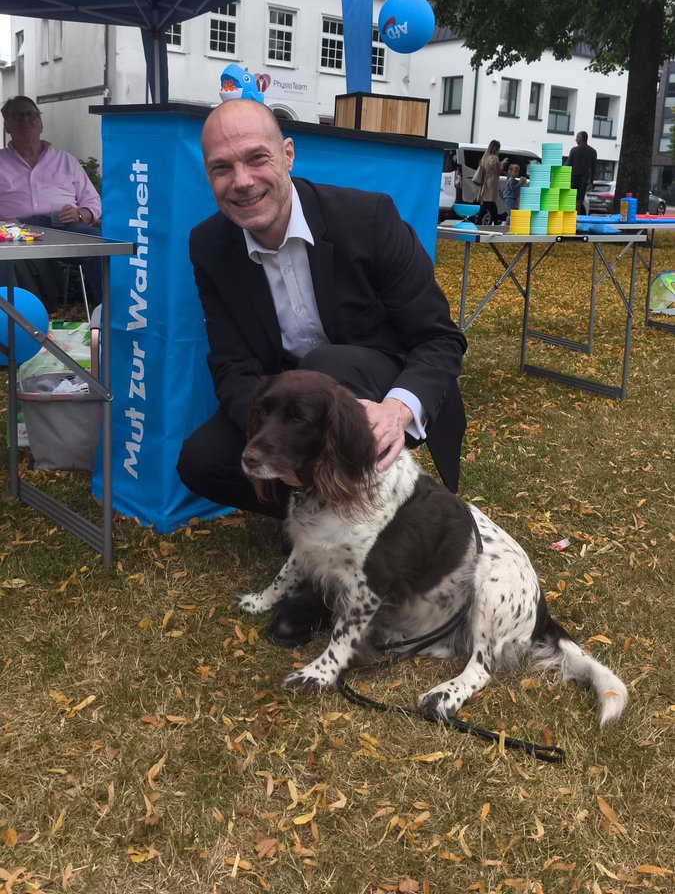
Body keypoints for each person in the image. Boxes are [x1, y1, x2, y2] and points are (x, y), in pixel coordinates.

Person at [178, 98, 468, 645]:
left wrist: (398, 409)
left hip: (378, 387)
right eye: (221, 167)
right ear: (209, 176)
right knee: (202, 461)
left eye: (256, 159)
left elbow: (438, 338)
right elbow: (234, 367)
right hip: (302, 412)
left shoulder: (369, 217)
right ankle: (325, 543)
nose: (240, 181)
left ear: (288, 155)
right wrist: (275, 450)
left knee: (324, 366)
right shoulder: (209, 244)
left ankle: (318, 589)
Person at [0, 96, 102, 310]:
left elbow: (93, 202)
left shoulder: (66, 160)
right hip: (16, 230)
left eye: (31, 114)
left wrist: (81, 214)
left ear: (41, 123)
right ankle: (18, 323)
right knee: (3, 259)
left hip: (65, 225)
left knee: (100, 244)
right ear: (6, 125)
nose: (25, 120)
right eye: (17, 116)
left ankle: (109, 312)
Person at [567, 130, 597, 214]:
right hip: (584, 181)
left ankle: (570, 217)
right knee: (579, 202)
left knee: (570, 201)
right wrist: (591, 182)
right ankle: (577, 217)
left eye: (577, 138)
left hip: (573, 180)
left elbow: (568, 165)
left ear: (581, 138)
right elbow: (594, 168)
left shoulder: (574, 150)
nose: (576, 140)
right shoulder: (592, 151)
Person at [475, 139, 503, 225]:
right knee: (488, 202)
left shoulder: (485, 157)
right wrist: (503, 164)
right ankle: (479, 219)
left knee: (490, 202)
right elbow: (498, 171)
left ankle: (495, 220)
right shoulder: (495, 158)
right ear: (496, 148)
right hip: (492, 182)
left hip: (486, 181)